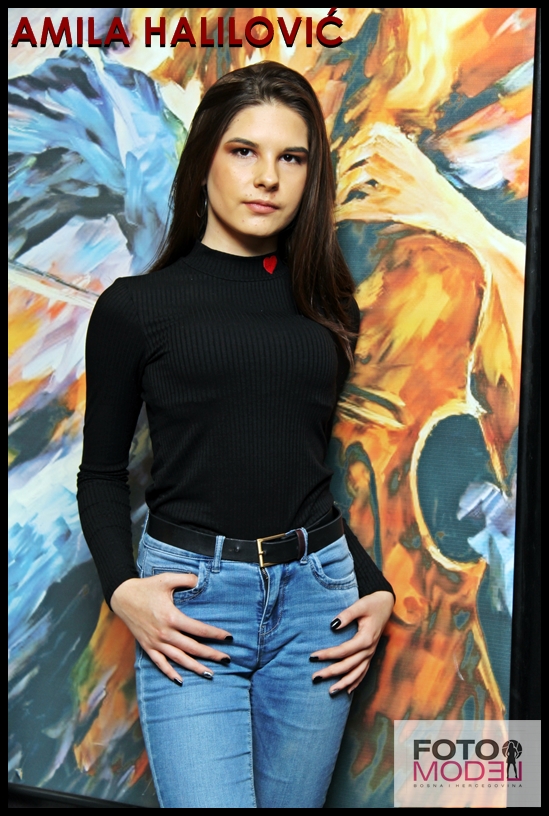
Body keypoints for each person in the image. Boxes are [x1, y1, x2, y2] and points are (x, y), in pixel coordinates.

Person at [77, 61, 394, 809]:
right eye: (243, 150)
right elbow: (101, 475)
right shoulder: (134, 308)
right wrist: (123, 589)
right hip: (194, 604)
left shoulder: (325, 304)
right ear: (204, 162)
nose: (268, 178)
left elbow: (299, 468)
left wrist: (372, 587)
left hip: (317, 603)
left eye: (292, 158)